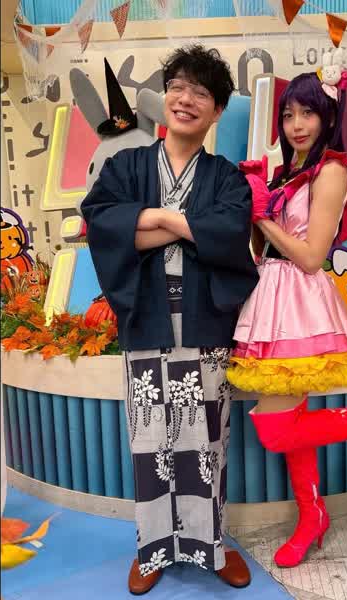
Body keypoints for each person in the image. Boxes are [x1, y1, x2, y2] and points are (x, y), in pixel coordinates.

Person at [81, 45, 259, 594]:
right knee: (151, 441)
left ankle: (211, 545)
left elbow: (228, 233)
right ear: (166, 98)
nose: (186, 99)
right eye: (178, 87)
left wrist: (148, 223)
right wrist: (179, 220)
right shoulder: (127, 166)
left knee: (207, 441)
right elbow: (106, 227)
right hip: (147, 319)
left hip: (205, 322)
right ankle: (153, 547)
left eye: (201, 92)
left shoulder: (226, 177)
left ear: (217, 110)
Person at [226, 67, 347, 568]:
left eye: (308, 113)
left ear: (328, 117)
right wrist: (253, 204)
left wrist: (262, 214)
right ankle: (312, 515)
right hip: (269, 298)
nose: (296, 124)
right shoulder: (285, 174)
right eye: (289, 114)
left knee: (275, 430)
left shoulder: (331, 171)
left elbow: (313, 257)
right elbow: (263, 249)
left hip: (300, 302)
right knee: (290, 422)